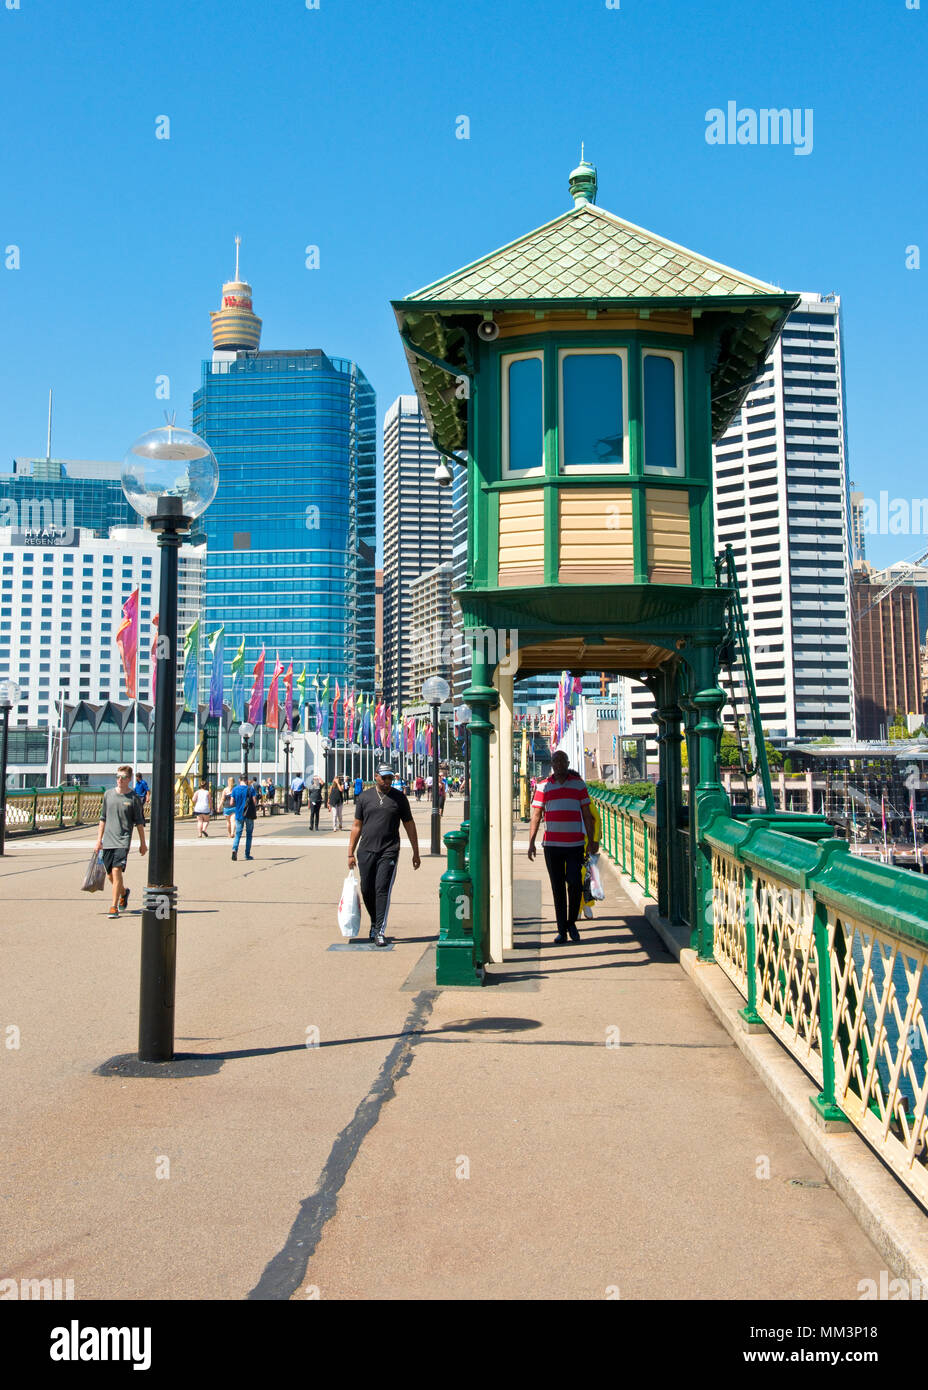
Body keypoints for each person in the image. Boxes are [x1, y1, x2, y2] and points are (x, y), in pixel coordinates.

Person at [527, 750, 598, 944]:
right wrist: (532, 842)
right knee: (557, 888)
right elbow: (536, 815)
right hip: (552, 845)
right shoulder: (543, 787)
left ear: (567, 763)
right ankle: (562, 930)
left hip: (575, 844)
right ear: (552, 764)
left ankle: (571, 922)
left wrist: (591, 840)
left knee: (574, 884)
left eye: (562, 761)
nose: (558, 764)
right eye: (555, 761)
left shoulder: (578, 785)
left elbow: (587, 814)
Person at [348, 764, 421, 946]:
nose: (388, 781)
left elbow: (409, 825)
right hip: (366, 850)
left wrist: (416, 852)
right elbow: (357, 825)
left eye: (390, 778)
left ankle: (380, 930)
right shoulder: (365, 797)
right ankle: (374, 922)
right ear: (376, 777)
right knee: (367, 890)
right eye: (384, 778)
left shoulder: (399, 798)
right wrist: (350, 852)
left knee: (382, 889)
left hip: (389, 850)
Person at [94, 765, 147, 920]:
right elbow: (102, 819)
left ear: (129, 779)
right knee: (110, 875)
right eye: (117, 776)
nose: (119, 779)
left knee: (117, 871)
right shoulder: (108, 795)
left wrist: (143, 843)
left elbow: (139, 822)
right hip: (108, 840)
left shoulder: (134, 798)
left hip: (123, 840)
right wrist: (98, 840)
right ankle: (124, 892)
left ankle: (114, 906)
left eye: (123, 777)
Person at [231, 773, 257, 861]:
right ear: (246, 780)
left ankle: (234, 849)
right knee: (249, 834)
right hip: (249, 814)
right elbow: (254, 801)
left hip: (238, 814)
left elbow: (231, 802)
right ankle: (247, 854)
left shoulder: (235, 789)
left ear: (239, 780)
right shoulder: (251, 789)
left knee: (238, 834)